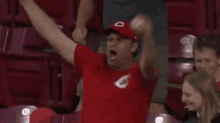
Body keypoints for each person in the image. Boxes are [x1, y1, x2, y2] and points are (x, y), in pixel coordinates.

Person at [19, 0, 159, 123]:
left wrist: (147, 35)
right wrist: (27, 2)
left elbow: (149, 63)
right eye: (110, 39)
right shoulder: (92, 62)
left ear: (133, 46)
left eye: (119, 40)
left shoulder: (140, 75)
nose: (112, 44)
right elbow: (52, 33)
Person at [72, 0, 168, 113]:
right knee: (88, 96)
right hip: (111, 39)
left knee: (154, 102)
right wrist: (80, 25)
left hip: (151, 40)